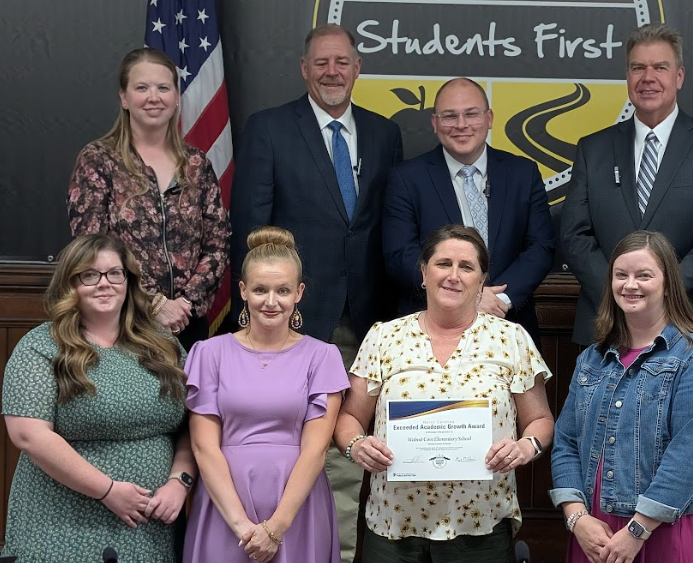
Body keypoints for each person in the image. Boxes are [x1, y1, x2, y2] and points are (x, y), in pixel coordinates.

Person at [228, 25, 403, 560]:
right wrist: (264, 310)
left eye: (343, 62)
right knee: (297, 444)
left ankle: (339, 552)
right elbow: (251, 229)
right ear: (304, 68)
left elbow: (384, 226)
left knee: (351, 446)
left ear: (357, 68)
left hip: (369, 318)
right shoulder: (268, 129)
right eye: (321, 62)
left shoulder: (383, 134)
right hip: (293, 316)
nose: (332, 71)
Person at [334, 225, 554, 562]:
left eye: (466, 267)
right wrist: (356, 445)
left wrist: (526, 447)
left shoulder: (511, 339)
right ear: (423, 271)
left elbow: (539, 420)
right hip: (394, 527)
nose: (453, 275)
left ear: (482, 280)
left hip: (480, 525)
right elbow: (349, 417)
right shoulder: (384, 337)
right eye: (443, 264)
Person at [1, 234, 194, 562]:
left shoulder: (164, 344)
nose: (104, 283)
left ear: (128, 281)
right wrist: (107, 490)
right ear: (69, 284)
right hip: (60, 526)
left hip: (149, 529)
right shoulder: (41, 346)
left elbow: (195, 423)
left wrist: (180, 481)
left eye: (114, 273)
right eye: (89, 275)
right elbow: (28, 435)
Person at [560, 23, 693, 345]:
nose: (648, 78)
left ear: (679, 76)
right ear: (628, 77)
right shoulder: (593, 149)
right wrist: (620, 291)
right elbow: (574, 234)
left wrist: (664, 289)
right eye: (638, 68)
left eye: (660, 67)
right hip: (606, 325)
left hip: (686, 323)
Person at [550, 231, 693, 563]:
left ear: (668, 284)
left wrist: (637, 530)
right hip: (594, 529)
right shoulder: (591, 359)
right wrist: (577, 517)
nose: (630, 285)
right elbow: (565, 442)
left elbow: (688, 458)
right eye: (621, 275)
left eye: (644, 275)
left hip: (664, 527)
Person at [183, 226, 349, 563]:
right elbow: (203, 446)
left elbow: (316, 451)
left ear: (299, 293)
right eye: (260, 289)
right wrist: (242, 526)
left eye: (283, 290)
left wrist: (276, 527)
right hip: (224, 506)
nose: (271, 302)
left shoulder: (323, 357)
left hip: (297, 508)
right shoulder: (209, 353)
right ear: (243, 290)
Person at [67, 47, 231, 351]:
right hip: (121, 320)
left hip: (187, 322)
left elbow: (218, 244)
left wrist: (184, 302)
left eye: (163, 87)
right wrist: (154, 305)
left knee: (183, 399)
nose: (153, 97)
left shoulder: (197, 165)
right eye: (142, 87)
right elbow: (89, 247)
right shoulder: (99, 160)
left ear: (177, 97)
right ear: (124, 98)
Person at [383, 77, 556, 344]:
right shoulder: (407, 178)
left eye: (471, 114)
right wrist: (470, 297)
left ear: (489, 118)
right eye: (450, 116)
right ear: (435, 122)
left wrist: (497, 300)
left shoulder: (523, 173)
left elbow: (541, 247)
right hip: (430, 333)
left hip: (508, 327)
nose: (461, 125)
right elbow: (400, 255)